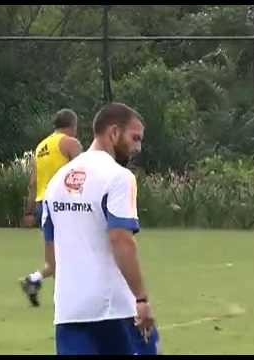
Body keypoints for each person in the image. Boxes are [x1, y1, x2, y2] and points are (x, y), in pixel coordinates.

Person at [41, 103, 160, 355]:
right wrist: (141, 299)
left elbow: (51, 254)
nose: (138, 147)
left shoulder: (56, 182)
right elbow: (121, 239)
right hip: (115, 310)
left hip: (69, 311)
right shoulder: (118, 177)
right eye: (134, 137)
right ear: (114, 133)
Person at [19, 109, 83, 307]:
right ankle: (69, 299)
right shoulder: (70, 143)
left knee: (53, 261)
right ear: (72, 125)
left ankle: (33, 280)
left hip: (42, 204)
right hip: (62, 205)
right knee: (75, 250)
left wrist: (29, 211)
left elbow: (33, 182)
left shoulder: (41, 146)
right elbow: (84, 172)